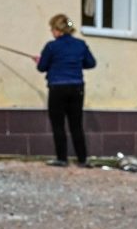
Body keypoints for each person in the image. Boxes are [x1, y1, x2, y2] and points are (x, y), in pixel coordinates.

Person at [34, 14, 96, 167]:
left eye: (52, 28)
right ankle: (82, 159)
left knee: (58, 124)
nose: (51, 32)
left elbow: (42, 68)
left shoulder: (51, 46)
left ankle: (62, 158)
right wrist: (75, 63)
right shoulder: (81, 45)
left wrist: (40, 60)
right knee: (76, 124)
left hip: (57, 88)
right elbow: (91, 63)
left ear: (58, 30)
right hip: (77, 88)